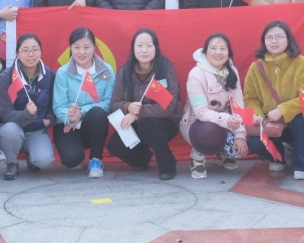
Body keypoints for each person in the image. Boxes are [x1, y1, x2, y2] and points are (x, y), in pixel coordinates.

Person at [243, 21, 304, 179]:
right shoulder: (256, 67)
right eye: (269, 37)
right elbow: (250, 98)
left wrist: (283, 110)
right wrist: (257, 115)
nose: (274, 41)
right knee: (255, 142)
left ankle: (300, 166)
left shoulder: (302, 63)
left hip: (295, 121)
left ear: (288, 39)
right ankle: (277, 158)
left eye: (279, 37)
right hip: (270, 123)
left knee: (303, 122)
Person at [108, 28, 182, 179]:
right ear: (133, 48)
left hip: (164, 122)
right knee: (114, 145)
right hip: (136, 123)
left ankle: (167, 165)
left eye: (149, 45)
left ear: (156, 47)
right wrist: (127, 106)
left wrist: (138, 114)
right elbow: (114, 103)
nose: (144, 50)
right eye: (139, 45)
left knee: (148, 125)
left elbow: (169, 106)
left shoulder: (165, 69)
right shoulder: (125, 72)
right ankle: (142, 158)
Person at [181, 33, 249, 179]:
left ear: (228, 53)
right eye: (213, 48)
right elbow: (201, 112)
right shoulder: (196, 74)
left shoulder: (232, 72)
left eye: (222, 48)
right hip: (197, 125)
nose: (218, 52)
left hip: (225, 123)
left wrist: (240, 135)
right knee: (210, 131)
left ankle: (221, 150)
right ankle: (197, 156)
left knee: (238, 149)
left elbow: (239, 104)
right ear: (206, 52)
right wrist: (226, 120)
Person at [52, 27, 114, 177]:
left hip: (94, 125)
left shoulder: (106, 71)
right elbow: (58, 106)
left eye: (86, 47)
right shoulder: (62, 73)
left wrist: (82, 112)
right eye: (77, 47)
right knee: (71, 160)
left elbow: (108, 102)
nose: (82, 52)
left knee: (97, 113)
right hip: (68, 126)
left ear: (94, 48)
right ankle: (77, 156)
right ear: (70, 48)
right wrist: (70, 116)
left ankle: (96, 159)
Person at [0, 33, 56, 180]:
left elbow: (53, 107)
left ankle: (31, 155)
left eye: (35, 49)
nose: (31, 54)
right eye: (25, 50)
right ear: (17, 54)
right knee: (10, 130)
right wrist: (27, 114)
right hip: (10, 129)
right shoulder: (5, 77)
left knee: (44, 161)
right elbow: (5, 114)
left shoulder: (49, 75)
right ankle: (12, 163)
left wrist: (49, 120)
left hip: (36, 130)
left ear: (40, 51)